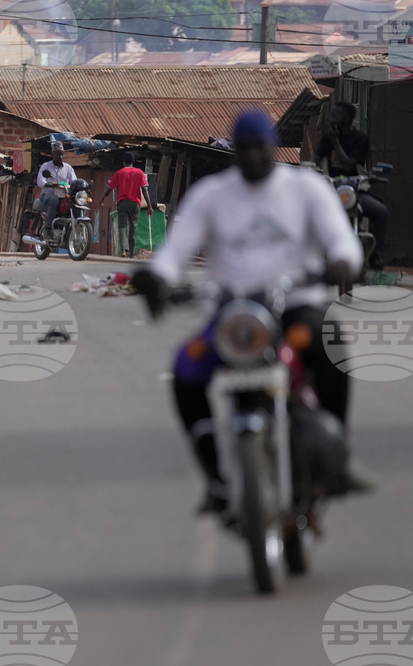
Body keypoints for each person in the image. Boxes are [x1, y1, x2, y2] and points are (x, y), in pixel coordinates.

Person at [132, 111, 369, 514]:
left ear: (273, 147)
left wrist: (345, 261)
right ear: (235, 151)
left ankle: (337, 454)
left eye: (260, 147)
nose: (253, 156)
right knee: (186, 370)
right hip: (234, 314)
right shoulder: (212, 195)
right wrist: (157, 277)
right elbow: (175, 251)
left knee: (331, 345)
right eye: (244, 148)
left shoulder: (305, 188)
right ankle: (217, 480)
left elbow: (340, 240)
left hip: (295, 306)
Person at [314, 101, 389, 270]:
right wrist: (310, 170)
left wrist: (335, 142)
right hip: (331, 190)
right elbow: (315, 159)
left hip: (355, 190)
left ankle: (375, 255)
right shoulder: (327, 137)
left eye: (334, 116)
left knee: (381, 211)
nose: (330, 119)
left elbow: (348, 165)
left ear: (346, 119)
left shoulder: (360, 139)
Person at [103, 152, 153, 258]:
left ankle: (123, 251)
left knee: (122, 227)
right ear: (133, 161)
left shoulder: (119, 173)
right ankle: (131, 254)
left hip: (122, 203)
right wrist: (149, 205)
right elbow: (145, 189)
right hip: (135, 204)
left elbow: (109, 188)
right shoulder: (139, 173)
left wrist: (102, 198)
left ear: (123, 161)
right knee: (133, 227)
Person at [36, 142, 77, 236]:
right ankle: (48, 228)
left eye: (62, 154)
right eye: (58, 154)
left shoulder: (68, 168)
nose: (60, 156)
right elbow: (40, 180)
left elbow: (74, 181)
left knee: (76, 201)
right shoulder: (45, 166)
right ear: (52, 155)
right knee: (53, 200)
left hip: (64, 195)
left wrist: (77, 186)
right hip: (48, 195)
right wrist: (47, 184)